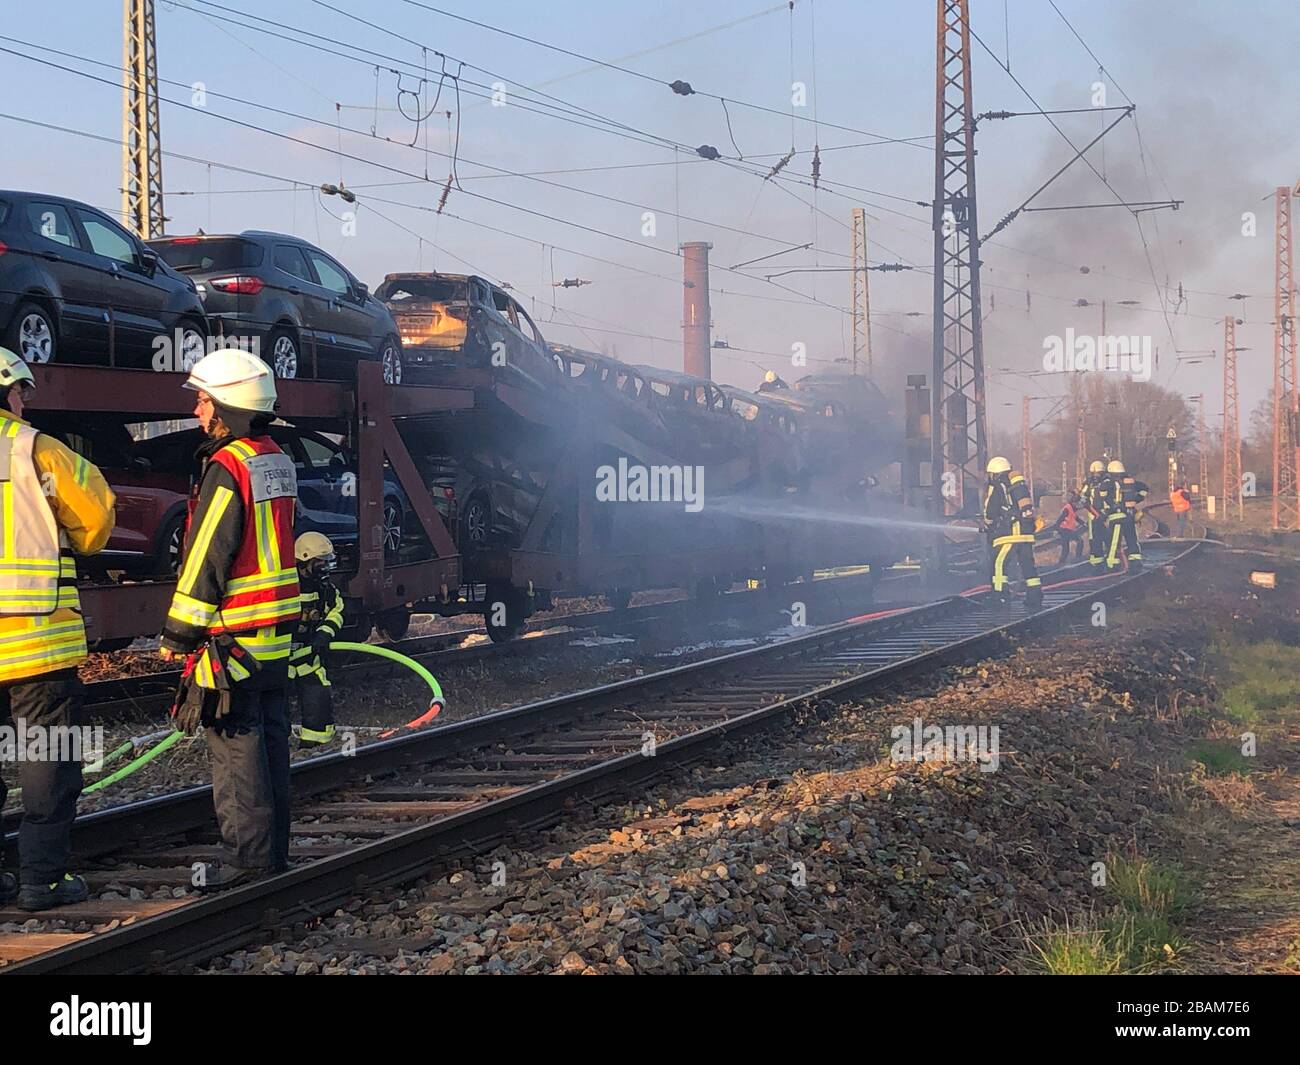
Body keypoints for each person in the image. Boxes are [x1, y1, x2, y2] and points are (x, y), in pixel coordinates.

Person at [159, 349, 300, 891]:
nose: (197, 410)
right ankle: (273, 855)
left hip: (233, 638)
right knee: (268, 743)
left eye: (202, 399)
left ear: (227, 405)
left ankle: (247, 862)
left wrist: (178, 633)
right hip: (274, 639)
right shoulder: (275, 458)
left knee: (236, 747)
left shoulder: (229, 466)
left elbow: (207, 556)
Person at [0, 346, 116, 910]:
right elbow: (94, 519)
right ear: (6, 393)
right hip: (37, 643)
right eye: (21, 391)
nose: (25, 401)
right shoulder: (37, 450)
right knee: (47, 756)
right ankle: (40, 880)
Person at [290, 532, 344, 748]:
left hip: (307, 657)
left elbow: (337, 608)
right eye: (320, 562)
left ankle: (315, 745)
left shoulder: (324, 588)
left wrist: (324, 634)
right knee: (273, 709)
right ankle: (273, 747)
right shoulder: (286, 586)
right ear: (304, 560)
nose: (325, 568)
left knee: (318, 697)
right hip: (278, 659)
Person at [982, 456, 1043, 609]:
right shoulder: (1017, 485)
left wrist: (989, 523)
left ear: (994, 473)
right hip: (1026, 532)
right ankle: (1035, 597)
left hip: (1010, 533)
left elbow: (990, 510)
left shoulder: (997, 485)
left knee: (998, 563)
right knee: (1027, 565)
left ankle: (1000, 596)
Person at [1100, 459, 1148, 572]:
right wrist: (1136, 500)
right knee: (1132, 540)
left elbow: (1102, 497)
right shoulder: (1130, 482)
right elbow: (1144, 489)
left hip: (1116, 517)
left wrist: (1109, 507)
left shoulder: (1108, 483)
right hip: (1129, 517)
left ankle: (1112, 564)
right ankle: (1136, 562)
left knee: (1114, 542)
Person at [1049, 490, 1085, 565]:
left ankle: (1062, 562)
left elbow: (1075, 517)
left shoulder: (1072, 508)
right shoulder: (1067, 509)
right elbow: (1059, 520)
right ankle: (1077, 559)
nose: (1079, 505)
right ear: (1074, 502)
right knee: (1078, 541)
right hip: (1065, 530)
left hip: (1067, 530)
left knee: (1066, 548)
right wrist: (1056, 530)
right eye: (1078, 503)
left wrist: (1083, 523)